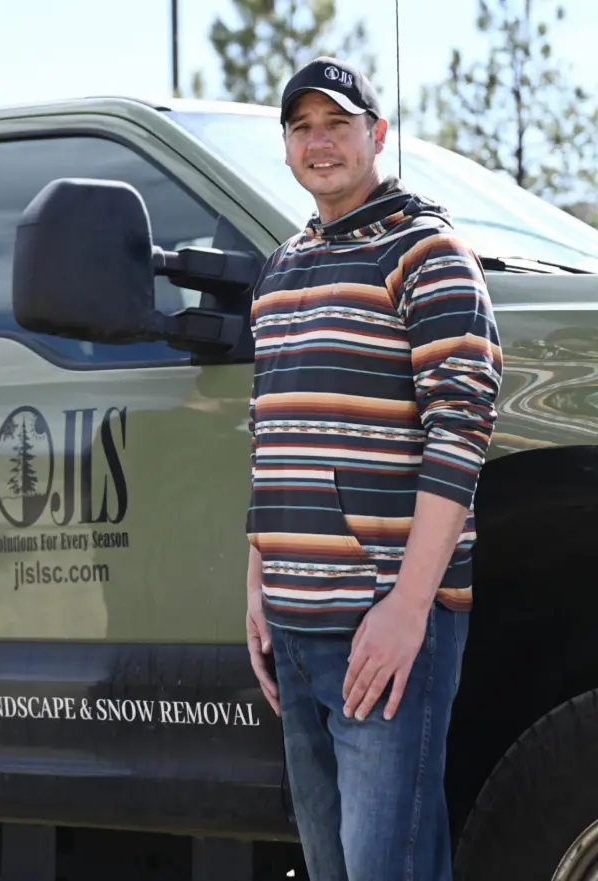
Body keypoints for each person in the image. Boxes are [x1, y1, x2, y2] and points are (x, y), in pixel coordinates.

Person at [242, 57, 503, 881]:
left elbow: (461, 434)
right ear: (285, 146)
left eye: (338, 124)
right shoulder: (279, 273)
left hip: (382, 628)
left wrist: (407, 610)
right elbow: (270, 435)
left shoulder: (428, 253)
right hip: (292, 627)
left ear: (377, 135)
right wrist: (256, 582)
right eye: (302, 127)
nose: (320, 142)